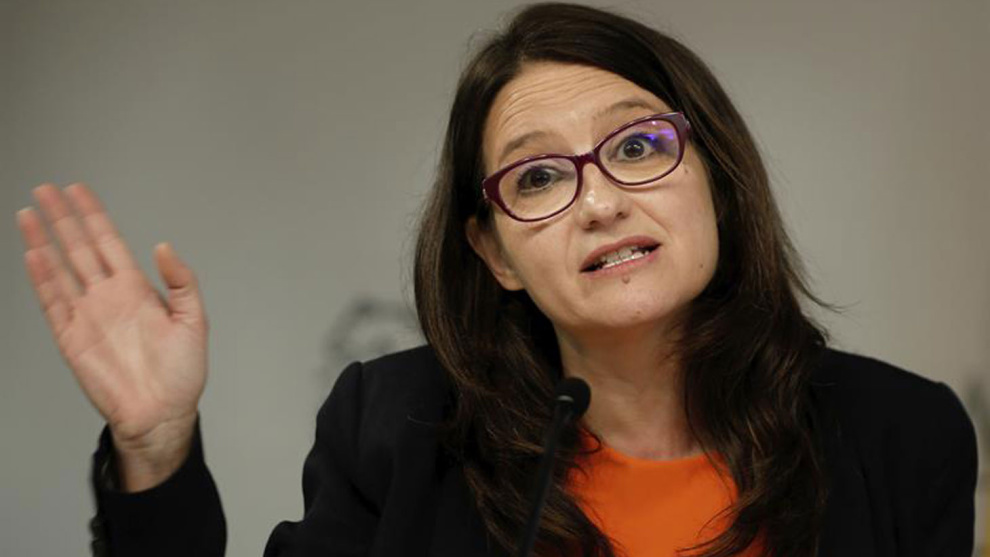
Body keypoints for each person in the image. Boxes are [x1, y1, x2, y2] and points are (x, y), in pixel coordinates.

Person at [15, 3, 978, 557]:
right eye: (540, 177)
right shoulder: (396, 429)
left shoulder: (902, 434)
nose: (599, 202)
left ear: (717, 182)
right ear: (495, 254)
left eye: (637, 147)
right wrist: (156, 447)